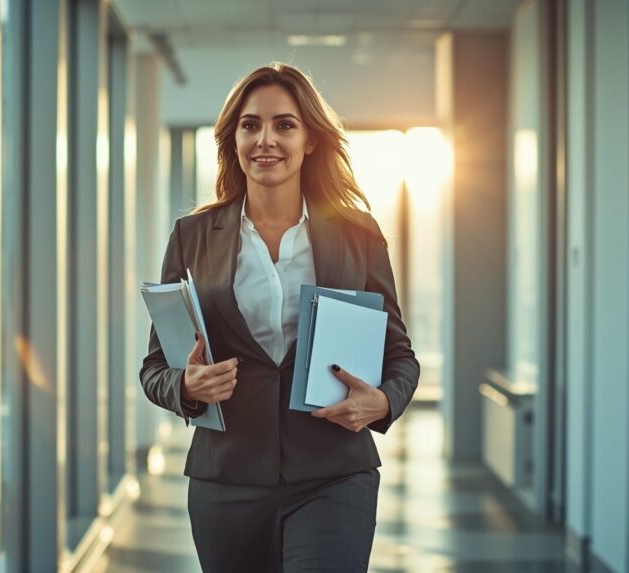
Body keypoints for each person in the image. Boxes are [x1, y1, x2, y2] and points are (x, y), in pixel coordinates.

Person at [139, 62, 419, 573]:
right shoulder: (193, 237)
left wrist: (380, 403)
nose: (265, 139)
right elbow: (155, 368)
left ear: (310, 139)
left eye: (284, 124)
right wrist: (187, 385)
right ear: (234, 137)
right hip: (226, 479)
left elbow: (398, 354)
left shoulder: (358, 235)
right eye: (251, 124)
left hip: (334, 474)